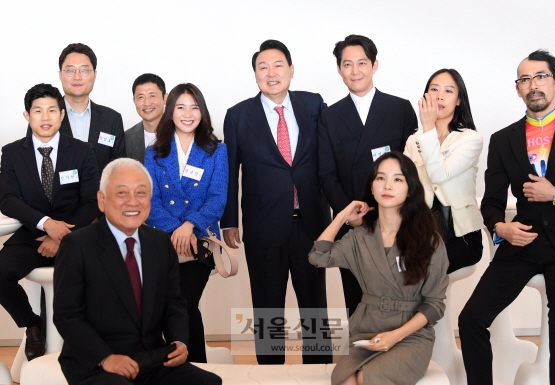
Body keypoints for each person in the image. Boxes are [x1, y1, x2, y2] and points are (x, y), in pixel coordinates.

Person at [459, 49, 555, 385]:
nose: (533, 85)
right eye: (524, 79)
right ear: (518, 89)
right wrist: (501, 227)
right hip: (521, 242)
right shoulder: (502, 139)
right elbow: (492, 200)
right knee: (470, 320)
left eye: (540, 77)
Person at [53, 158, 221, 385]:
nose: (133, 202)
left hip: (152, 360)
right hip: (96, 363)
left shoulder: (161, 243)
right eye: (122, 193)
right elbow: (67, 315)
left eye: (141, 193)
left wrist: (180, 343)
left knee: (208, 382)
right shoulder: (77, 245)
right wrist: (106, 358)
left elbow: (174, 303)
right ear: (102, 200)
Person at [221, 39, 331, 364]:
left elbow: (329, 163)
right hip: (263, 227)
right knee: (268, 311)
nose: (271, 73)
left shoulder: (314, 106)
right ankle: (269, 375)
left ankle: (320, 371)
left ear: (291, 70)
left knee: (315, 309)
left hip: (311, 224)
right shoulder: (239, 116)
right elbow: (230, 172)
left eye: (278, 65)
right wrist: (229, 221)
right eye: (263, 67)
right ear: (255, 75)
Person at [309, 151, 448, 385]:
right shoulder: (359, 237)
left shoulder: (429, 240)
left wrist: (395, 336)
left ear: (410, 188)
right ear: (372, 187)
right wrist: (343, 215)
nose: (388, 185)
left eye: (398, 179)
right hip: (366, 329)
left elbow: (435, 304)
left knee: (368, 378)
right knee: (345, 379)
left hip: (409, 335)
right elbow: (317, 257)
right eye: (380, 178)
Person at [318, 34, 418, 318]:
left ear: (375, 65)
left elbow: (411, 168)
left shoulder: (399, 108)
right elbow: (326, 173)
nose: (355, 70)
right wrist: (349, 212)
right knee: (356, 301)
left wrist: (392, 208)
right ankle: (360, 360)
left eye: (361, 63)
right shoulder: (330, 115)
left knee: (400, 296)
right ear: (339, 70)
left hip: (395, 221)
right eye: (347, 64)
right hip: (353, 223)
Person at [0, 83, 100, 361]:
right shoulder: (11, 153)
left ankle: (88, 345)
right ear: (27, 115)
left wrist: (61, 236)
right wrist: (46, 224)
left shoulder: (82, 151)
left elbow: (92, 201)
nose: (45, 117)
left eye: (52, 110)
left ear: (62, 115)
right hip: (32, 237)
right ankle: (33, 325)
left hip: (76, 238)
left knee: (101, 281)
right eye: (38, 111)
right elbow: (6, 198)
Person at [145, 83, 228, 363]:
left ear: (202, 112)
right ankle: (166, 367)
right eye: (181, 107)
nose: (188, 113)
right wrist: (174, 230)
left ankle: (195, 368)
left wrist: (189, 226)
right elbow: (150, 202)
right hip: (162, 242)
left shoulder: (216, 150)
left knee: (184, 302)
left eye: (194, 107)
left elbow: (218, 199)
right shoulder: (154, 151)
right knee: (161, 305)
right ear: (170, 112)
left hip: (200, 241)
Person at [404, 69, 484, 273]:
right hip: (421, 234)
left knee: (418, 270)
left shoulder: (470, 138)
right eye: (434, 89)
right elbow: (405, 186)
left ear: (459, 100)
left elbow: (439, 175)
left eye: (448, 91)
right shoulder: (413, 140)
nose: (439, 96)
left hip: (459, 236)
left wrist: (428, 126)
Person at [56, 43, 126, 173]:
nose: (77, 77)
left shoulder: (112, 119)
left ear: (94, 74)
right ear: (60, 75)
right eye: (70, 70)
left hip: (100, 193)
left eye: (84, 70)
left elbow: (119, 170)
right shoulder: (45, 117)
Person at [126, 73, 168, 163]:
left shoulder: (181, 132)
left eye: (152, 96)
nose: (147, 103)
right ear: (134, 101)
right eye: (141, 97)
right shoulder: (126, 138)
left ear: (165, 98)